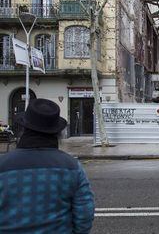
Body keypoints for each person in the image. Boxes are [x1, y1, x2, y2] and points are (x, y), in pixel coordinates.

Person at [0, 99, 95, 233]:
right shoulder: (72, 167)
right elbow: (85, 214)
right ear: (57, 133)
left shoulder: (3, 166)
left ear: (24, 129)